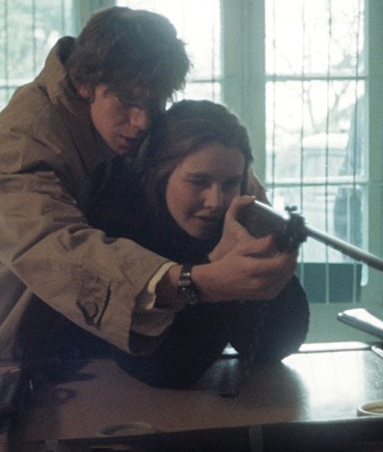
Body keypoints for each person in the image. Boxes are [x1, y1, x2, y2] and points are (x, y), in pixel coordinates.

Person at [0, 6, 298, 364]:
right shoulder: (18, 144)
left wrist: (244, 193)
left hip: (51, 355)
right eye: (126, 101)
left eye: (155, 103)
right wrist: (197, 282)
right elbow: (59, 250)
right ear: (83, 82)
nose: (142, 122)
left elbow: (193, 147)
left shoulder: (117, 121)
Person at [109, 100, 310, 388]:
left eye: (230, 184)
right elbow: (166, 369)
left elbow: (276, 346)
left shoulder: (230, 224)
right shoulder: (124, 234)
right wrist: (216, 269)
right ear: (160, 176)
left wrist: (263, 245)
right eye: (198, 182)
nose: (216, 201)